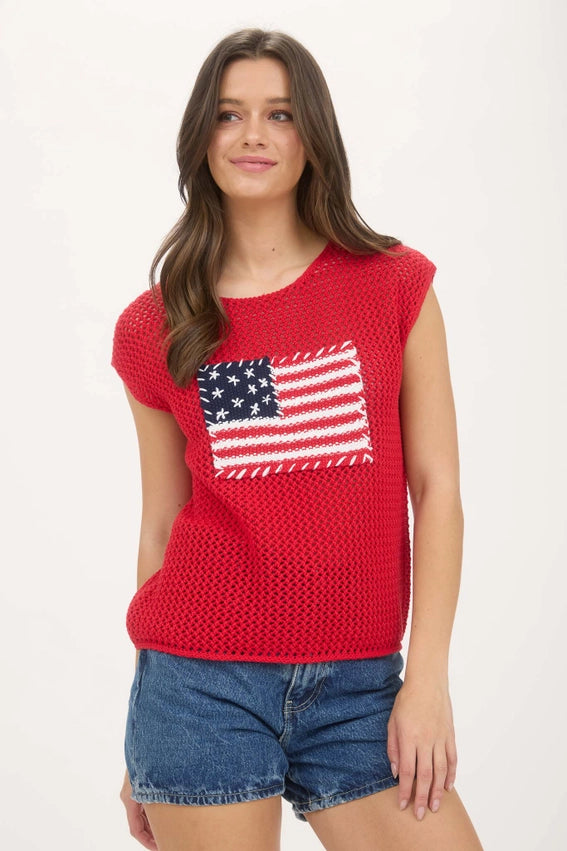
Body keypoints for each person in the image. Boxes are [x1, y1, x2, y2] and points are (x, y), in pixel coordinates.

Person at [112, 27, 483, 851]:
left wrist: (426, 681)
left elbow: (438, 490)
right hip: (197, 687)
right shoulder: (154, 326)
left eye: (279, 113)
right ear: (200, 136)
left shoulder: (393, 285)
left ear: (312, 134)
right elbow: (161, 525)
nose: (252, 134)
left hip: (360, 689)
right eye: (229, 114)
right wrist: (142, 729)